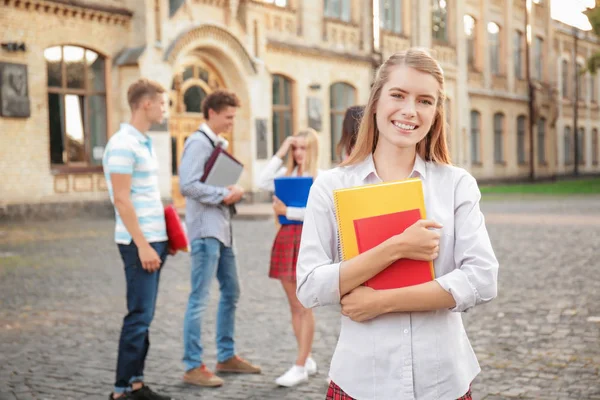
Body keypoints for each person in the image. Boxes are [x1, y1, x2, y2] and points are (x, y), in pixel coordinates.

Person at [296, 48, 499, 400]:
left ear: (436, 113)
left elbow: (482, 278)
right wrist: (397, 247)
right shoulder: (332, 186)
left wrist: (380, 302)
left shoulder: (455, 184)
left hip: (442, 381)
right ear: (376, 101)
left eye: (425, 101)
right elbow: (310, 285)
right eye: (398, 95)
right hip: (362, 380)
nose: (409, 110)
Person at [179, 90, 261, 388]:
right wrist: (224, 194)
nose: (231, 123)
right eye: (228, 117)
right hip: (204, 231)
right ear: (212, 113)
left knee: (232, 291)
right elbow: (187, 185)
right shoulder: (198, 143)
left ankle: (226, 356)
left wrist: (229, 190)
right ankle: (192, 366)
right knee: (199, 298)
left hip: (223, 229)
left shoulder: (216, 144)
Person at [102, 79, 173, 400]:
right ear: (145, 104)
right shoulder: (122, 145)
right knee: (138, 316)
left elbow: (145, 196)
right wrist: (143, 244)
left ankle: (136, 384)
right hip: (137, 243)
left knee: (146, 315)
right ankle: (120, 391)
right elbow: (122, 199)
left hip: (154, 239)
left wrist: (163, 237)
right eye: (162, 103)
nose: (164, 109)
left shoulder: (143, 142)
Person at [257, 128, 321, 387]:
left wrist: (288, 210)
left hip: (307, 240)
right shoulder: (286, 174)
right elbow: (261, 182)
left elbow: (321, 215)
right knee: (294, 305)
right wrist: (282, 149)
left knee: (305, 305)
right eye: (295, 148)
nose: (298, 153)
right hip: (286, 238)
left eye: (303, 148)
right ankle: (305, 358)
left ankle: (300, 364)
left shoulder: (321, 177)